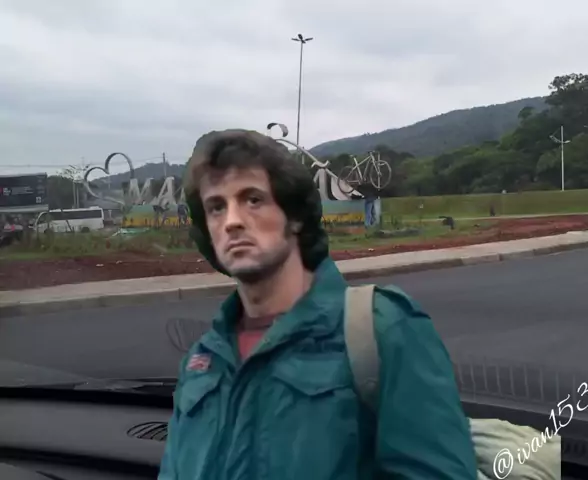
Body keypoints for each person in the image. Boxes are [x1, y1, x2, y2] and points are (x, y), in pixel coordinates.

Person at [158, 129, 477, 479]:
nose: (232, 221)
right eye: (216, 207)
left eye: (253, 200)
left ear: (294, 215)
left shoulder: (381, 331)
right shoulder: (203, 361)